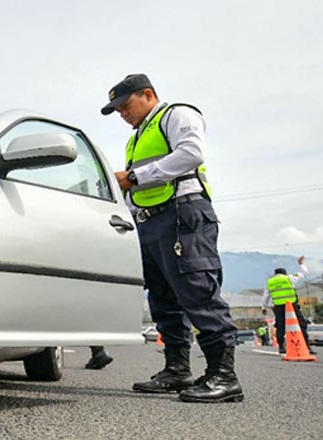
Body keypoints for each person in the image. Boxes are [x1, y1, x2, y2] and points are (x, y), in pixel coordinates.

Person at [101, 73, 242, 403]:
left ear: (147, 94)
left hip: (183, 214)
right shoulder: (136, 137)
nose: (122, 113)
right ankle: (177, 370)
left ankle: (224, 376)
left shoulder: (176, 114)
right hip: (151, 222)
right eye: (117, 110)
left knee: (197, 290)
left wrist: (134, 176)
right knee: (163, 298)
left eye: (125, 105)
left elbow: (191, 153)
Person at [261, 256, 315, 355]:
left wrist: (263, 308)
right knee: (301, 324)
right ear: (284, 273)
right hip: (292, 306)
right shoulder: (289, 278)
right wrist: (301, 264)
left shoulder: (270, 282)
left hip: (278, 307)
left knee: (280, 327)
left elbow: (266, 296)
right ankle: (307, 346)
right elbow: (304, 273)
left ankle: (281, 346)